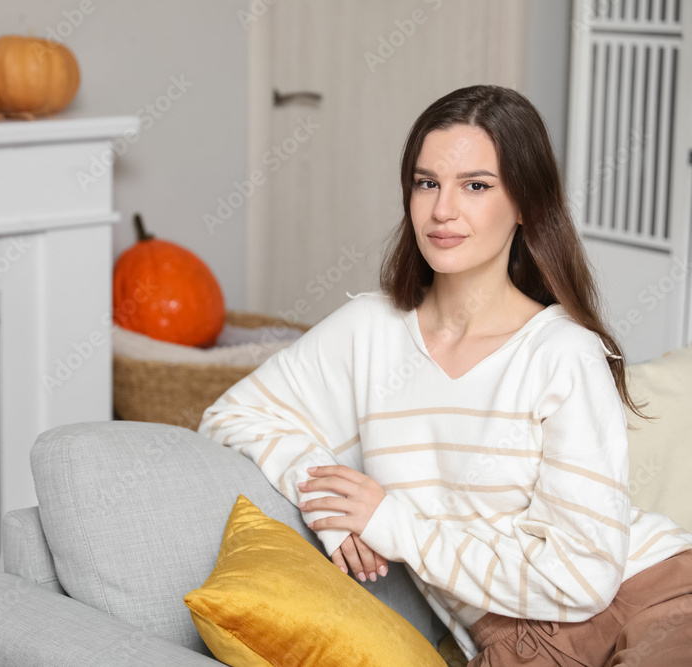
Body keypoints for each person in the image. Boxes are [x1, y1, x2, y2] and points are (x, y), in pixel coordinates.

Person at [198, 85, 692, 665]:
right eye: (426, 182)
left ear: (526, 203)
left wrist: (392, 524)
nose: (442, 210)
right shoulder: (369, 331)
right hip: (511, 640)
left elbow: (584, 580)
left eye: (475, 186)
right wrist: (332, 507)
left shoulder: (563, 354)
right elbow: (231, 415)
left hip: (647, 595)